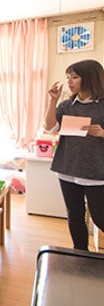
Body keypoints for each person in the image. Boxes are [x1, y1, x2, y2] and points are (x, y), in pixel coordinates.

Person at [45, 59, 104, 250]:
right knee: (75, 215)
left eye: (75, 77)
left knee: (100, 217)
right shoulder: (67, 104)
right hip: (67, 168)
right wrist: (53, 100)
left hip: (96, 172)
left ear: (90, 78)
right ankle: (81, 254)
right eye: (68, 77)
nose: (69, 81)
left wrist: (102, 132)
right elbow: (50, 127)